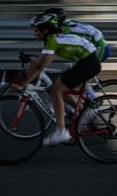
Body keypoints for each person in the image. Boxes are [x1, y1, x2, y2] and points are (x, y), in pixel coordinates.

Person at [11, 13, 101, 146]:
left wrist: (23, 84)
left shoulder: (53, 40)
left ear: (45, 30)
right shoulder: (51, 40)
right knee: (59, 87)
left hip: (88, 63)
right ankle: (83, 112)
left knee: (55, 89)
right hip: (84, 61)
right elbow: (39, 64)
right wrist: (25, 75)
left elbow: (40, 67)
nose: (34, 33)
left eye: (36, 30)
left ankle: (61, 131)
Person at [44, 7, 111, 62]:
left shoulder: (63, 28)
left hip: (99, 47)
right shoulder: (68, 22)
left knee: (82, 72)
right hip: (100, 45)